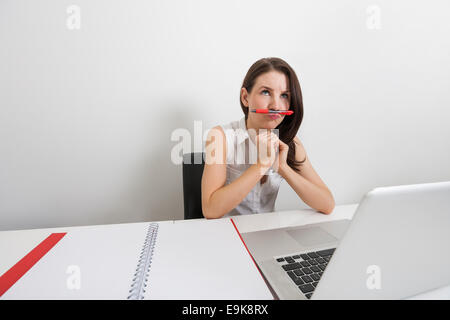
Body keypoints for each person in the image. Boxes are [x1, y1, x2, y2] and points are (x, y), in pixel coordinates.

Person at [201, 57, 335, 218]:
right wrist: (262, 164)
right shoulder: (220, 137)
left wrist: (283, 168)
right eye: (266, 92)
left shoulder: (290, 143)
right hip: (228, 234)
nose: (276, 106)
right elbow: (210, 210)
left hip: (269, 235)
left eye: (284, 95)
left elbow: (327, 204)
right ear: (245, 97)